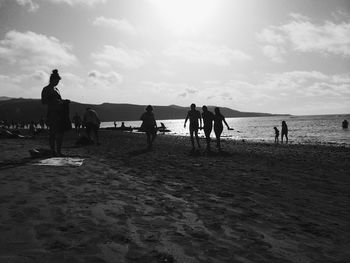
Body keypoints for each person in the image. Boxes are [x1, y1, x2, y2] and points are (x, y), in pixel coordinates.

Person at [41, 69, 70, 156]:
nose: (57, 82)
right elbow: (44, 102)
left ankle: (59, 151)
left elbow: (59, 101)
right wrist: (55, 101)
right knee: (53, 133)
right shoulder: (46, 89)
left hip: (60, 113)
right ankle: (53, 151)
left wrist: (63, 102)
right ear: (52, 80)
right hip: (53, 113)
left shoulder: (56, 89)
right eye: (56, 81)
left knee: (61, 133)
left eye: (58, 81)